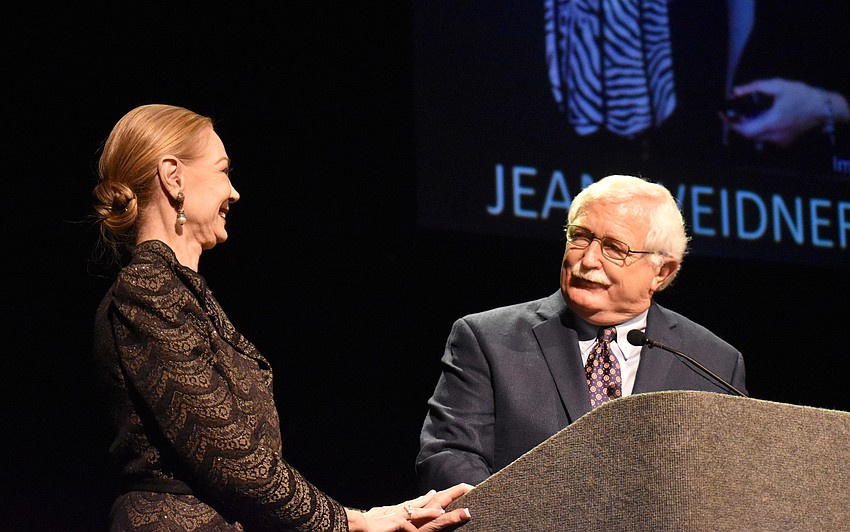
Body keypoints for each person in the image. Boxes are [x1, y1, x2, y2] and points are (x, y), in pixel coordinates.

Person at [91, 104, 472, 531]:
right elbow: (236, 459)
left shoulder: (181, 294)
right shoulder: (147, 289)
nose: (233, 192)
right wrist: (357, 522)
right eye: (223, 171)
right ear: (173, 176)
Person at [416, 174, 747, 491]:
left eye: (614, 248)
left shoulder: (713, 363)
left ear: (661, 272)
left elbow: (730, 481)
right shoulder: (487, 339)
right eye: (580, 236)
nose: (588, 259)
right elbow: (449, 457)